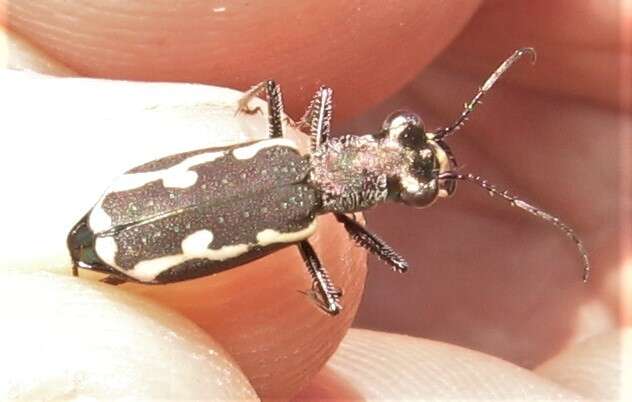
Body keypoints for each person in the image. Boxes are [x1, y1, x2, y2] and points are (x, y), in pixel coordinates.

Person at [0, 1, 627, 400]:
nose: (420, 154)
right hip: (124, 223)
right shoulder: (308, 218)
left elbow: (272, 89)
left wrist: (252, 105)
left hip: (122, 214)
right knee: (326, 300)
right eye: (411, 148)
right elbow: (391, 268)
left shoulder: (294, 151)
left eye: (419, 183)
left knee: (264, 102)